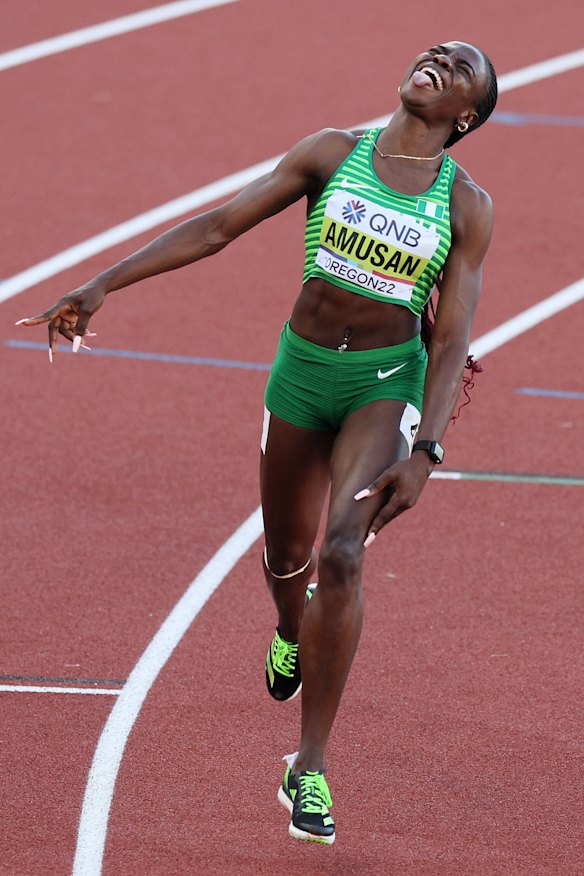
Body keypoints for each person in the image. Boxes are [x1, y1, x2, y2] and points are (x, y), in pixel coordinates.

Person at [17, 41, 498, 845]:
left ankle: (307, 766)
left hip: (385, 386)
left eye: (460, 69)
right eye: (435, 52)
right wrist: (101, 283)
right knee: (287, 559)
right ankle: (287, 628)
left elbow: (452, 338)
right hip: (302, 377)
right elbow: (216, 229)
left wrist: (429, 451)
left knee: (343, 551)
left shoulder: (466, 204)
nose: (438, 61)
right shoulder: (333, 152)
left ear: (467, 116)